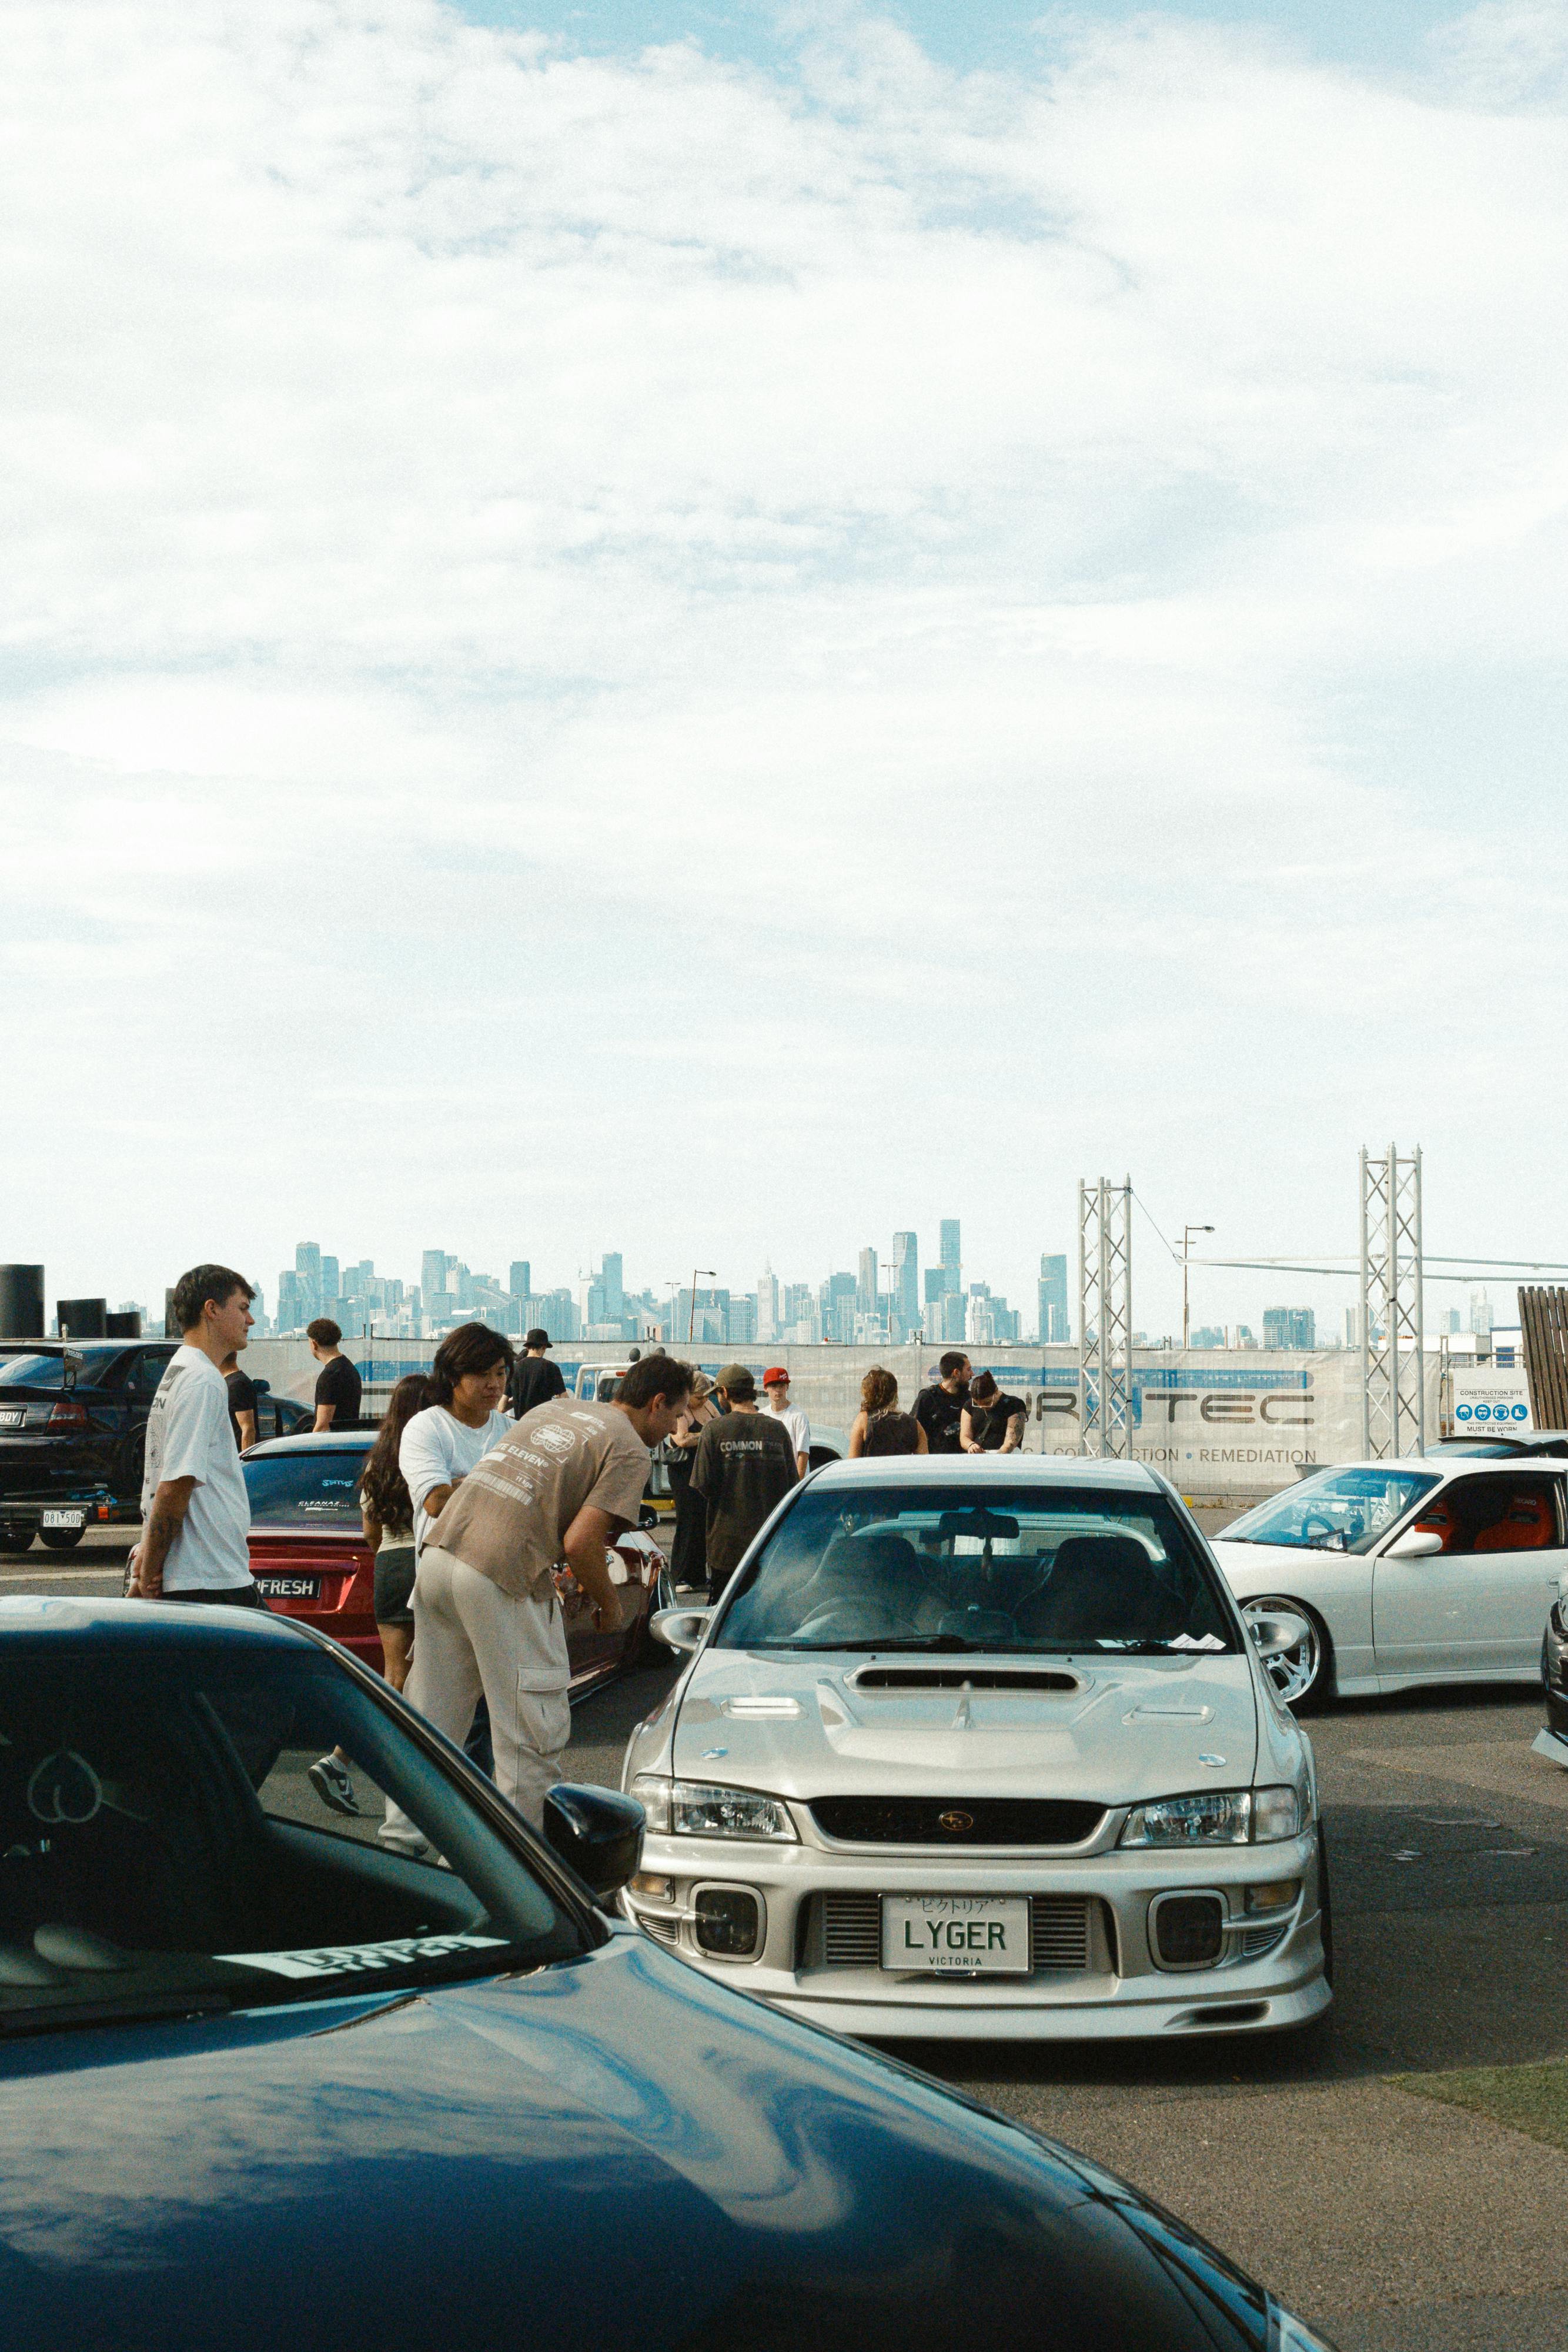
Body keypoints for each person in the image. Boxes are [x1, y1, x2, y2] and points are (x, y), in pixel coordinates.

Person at [384, 1354, 694, 1837]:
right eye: (675, 1414)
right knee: (530, 1735)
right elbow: (581, 1541)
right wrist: (611, 1608)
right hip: (502, 1574)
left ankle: (402, 1842)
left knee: (432, 1721)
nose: (676, 1427)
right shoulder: (629, 1448)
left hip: (440, 1559)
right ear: (657, 1403)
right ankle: (516, 1860)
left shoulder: (552, 1410)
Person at [309, 1372, 432, 1814]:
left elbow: (370, 1533)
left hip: (390, 1565)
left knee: (394, 1674)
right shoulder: (428, 1454)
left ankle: (342, 1760)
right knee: (425, 1679)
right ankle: (352, 1763)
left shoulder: (376, 1464)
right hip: (424, 1563)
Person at [129, 1264, 260, 1605]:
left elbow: (159, 1477)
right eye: (243, 1308)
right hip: (211, 1575)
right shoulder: (203, 1379)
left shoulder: (178, 1371)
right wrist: (148, 1573)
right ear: (211, 1309)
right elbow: (175, 1484)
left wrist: (146, 1558)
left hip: (196, 1573)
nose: (250, 1320)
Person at [399, 1324, 517, 1559]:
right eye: (482, 1374)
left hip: (503, 1567)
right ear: (453, 1376)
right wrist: (505, 1484)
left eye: (500, 1373)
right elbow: (437, 1502)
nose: (494, 1384)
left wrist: (460, 1483)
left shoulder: (514, 1431)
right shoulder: (426, 1427)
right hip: (445, 1568)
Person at [691, 1364, 799, 1603]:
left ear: (725, 1393)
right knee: (767, 1609)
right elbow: (792, 1484)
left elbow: (702, 1484)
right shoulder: (777, 1430)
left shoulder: (714, 1430)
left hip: (726, 1547)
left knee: (724, 1611)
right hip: (769, 1544)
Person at [666, 1369, 719, 1592]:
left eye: (707, 1396)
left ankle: (698, 1575)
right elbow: (682, 1439)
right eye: (699, 1397)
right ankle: (681, 1575)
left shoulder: (708, 1406)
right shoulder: (681, 1410)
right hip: (685, 1472)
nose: (704, 1400)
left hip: (705, 1470)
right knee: (688, 1521)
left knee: (704, 1522)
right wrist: (710, 1434)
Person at [848, 1366, 927, 1457]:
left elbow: (853, 1460)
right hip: (900, 1466)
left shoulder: (864, 1419)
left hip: (872, 1467)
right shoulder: (914, 1424)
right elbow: (924, 1461)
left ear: (868, 1394)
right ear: (895, 1392)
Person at [308, 1319, 362, 1432]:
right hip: (349, 1437)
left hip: (333, 1441)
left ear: (314, 1344)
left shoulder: (330, 1375)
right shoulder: (349, 1368)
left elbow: (323, 1426)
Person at [913, 1351, 971, 1455]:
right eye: (968, 1370)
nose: (972, 1374)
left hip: (965, 1460)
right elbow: (915, 1431)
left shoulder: (970, 1399)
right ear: (956, 1373)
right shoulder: (928, 1397)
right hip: (936, 1461)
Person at [761, 1367, 811, 1478]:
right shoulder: (762, 1415)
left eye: (782, 1386)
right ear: (765, 1388)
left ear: (787, 1387)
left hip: (792, 1478)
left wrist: (797, 1483)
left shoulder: (798, 1416)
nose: (778, 1390)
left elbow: (803, 1453)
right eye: (774, 1386)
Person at [961, 1369, 1027, 1454]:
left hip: (1005, 1455)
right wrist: (971, 1445)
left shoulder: (1014, 1404)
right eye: (977, 1404)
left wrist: (998, 1458)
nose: (982, 1407)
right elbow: (964, 1437)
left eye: (987, 1403)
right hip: (978, 1456)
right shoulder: (969, 1404)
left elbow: (1011, 1442)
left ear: (996, 1392)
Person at [510, 1327, 566, 1421]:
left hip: (520, 1425)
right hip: (542, 1424)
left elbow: (502, 1407)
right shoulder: (551, 1368)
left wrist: (519, 1399)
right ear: (544, 1347)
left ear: (527, 1347)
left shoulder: (515, 1368)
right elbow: (565, 1400)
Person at [222, 1349, 259, 1452]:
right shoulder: (228, 1382)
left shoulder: (237, 1385)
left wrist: (244, 1459)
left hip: (237, 1456)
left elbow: (248, 1429)